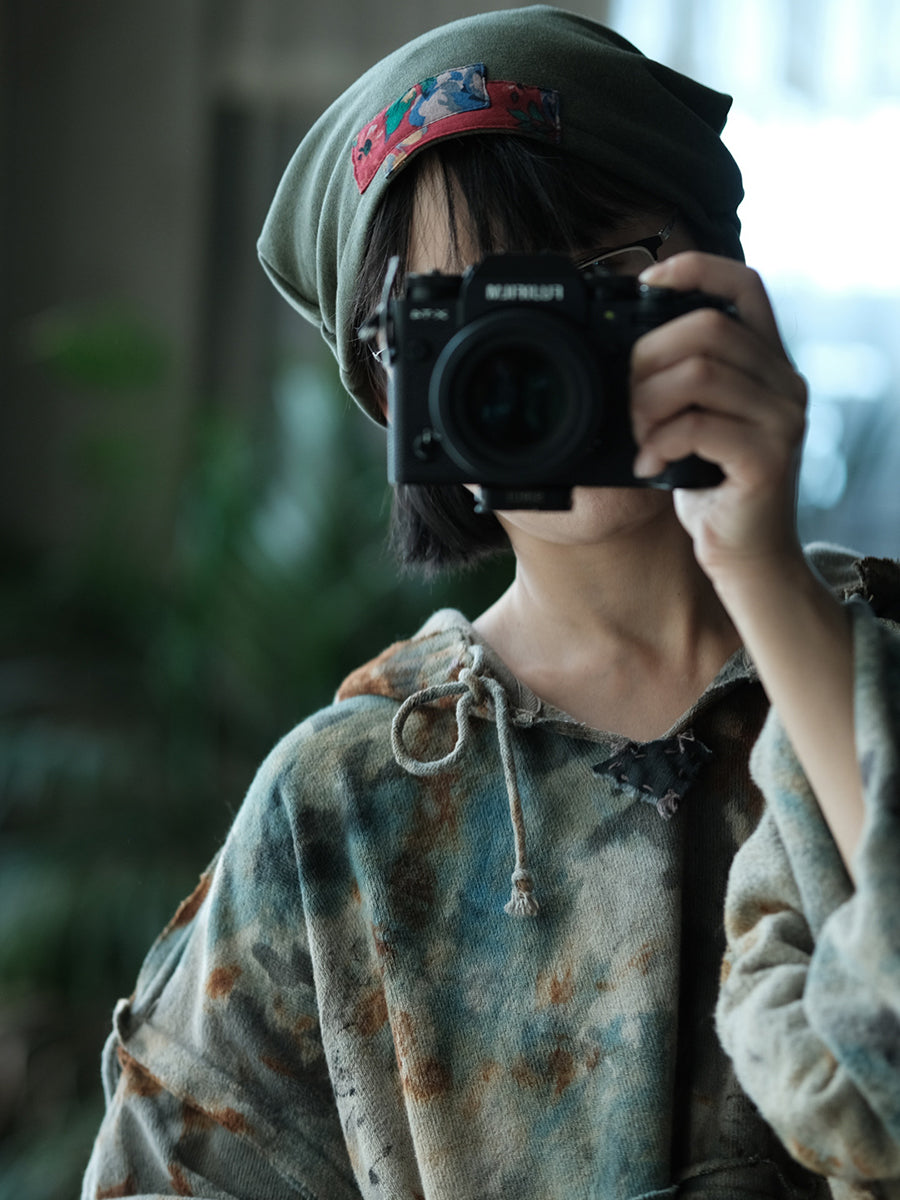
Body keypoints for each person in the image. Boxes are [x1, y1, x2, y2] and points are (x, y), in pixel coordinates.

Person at [82, 7, 900, 1198]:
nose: (538, 355)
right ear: (393, 390)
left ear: (717, 282)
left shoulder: (874, 663)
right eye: (464, 321)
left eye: (596, 284)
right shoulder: (347, 803)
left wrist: (762, 572)